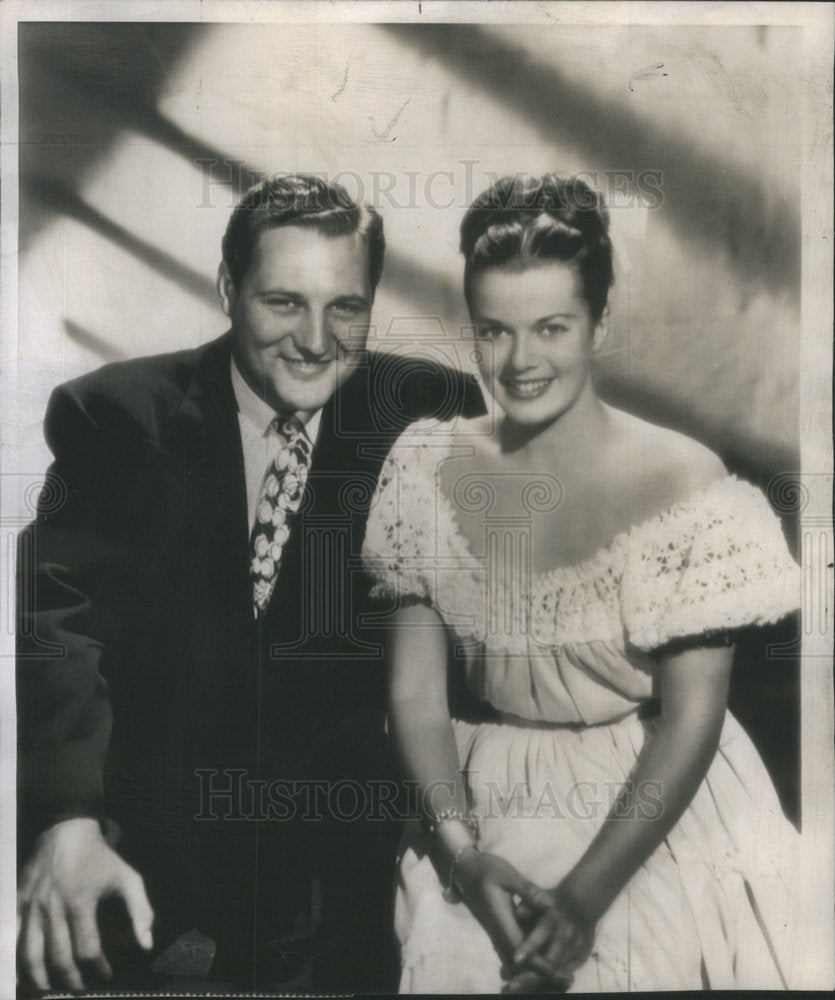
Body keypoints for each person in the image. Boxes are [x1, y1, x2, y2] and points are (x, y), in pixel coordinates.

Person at [16, 173, 484, 994]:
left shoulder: (428, 411)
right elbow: (61, 622)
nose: (314, 339)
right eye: (283, 302)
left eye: (345, 306)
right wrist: (69, 820)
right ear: (229, 288)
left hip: (340, 852)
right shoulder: (115, 416)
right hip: (146, 824)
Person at [361, 173, 802, 992]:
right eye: (493, 331)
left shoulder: (684, 480)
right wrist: (462, 859)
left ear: (599, 323)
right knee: (462, 961)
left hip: (653, 799)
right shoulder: (424, 466)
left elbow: (691, 719)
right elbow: (416, 699)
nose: (521, 362)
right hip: (479, 792)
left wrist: (583, 898)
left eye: (552, 327)